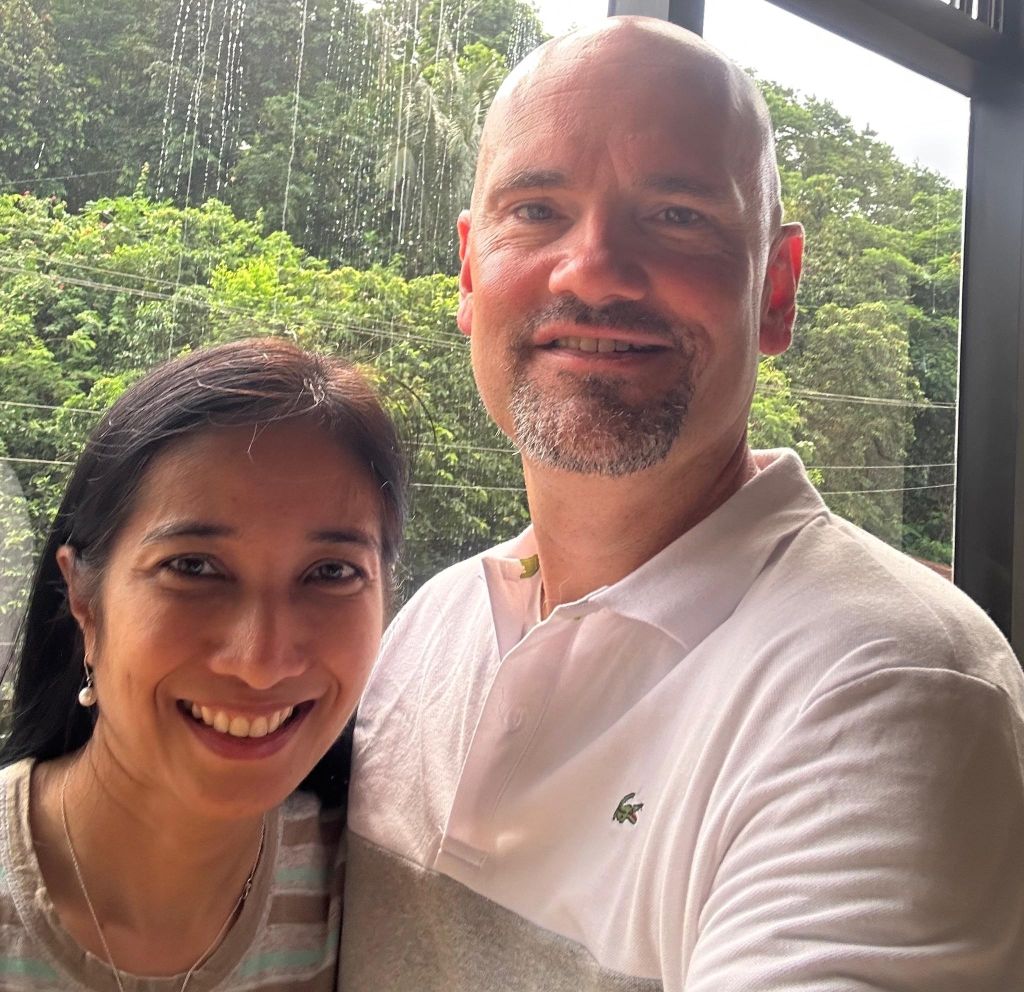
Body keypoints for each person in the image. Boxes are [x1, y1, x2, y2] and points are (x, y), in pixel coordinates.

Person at [340, 16, 1024, 992]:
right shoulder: (434, 624)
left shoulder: (893, 688)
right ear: (467, 269)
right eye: (535, 209)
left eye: (677, 216)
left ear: (775, 290)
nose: (591, 269)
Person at [0, 337, 406, 991]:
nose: (260, 662)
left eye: (330, 572)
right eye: (192, 568)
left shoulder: (383, 896)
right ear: (84, 599)